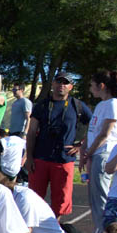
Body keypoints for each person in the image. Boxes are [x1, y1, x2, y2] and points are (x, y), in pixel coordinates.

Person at [26, 71, 92, 218]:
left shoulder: (77, 106)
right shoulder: (42, 105)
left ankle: (56, 228)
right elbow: (31, 132)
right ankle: (34, 231)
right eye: (59, 82)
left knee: (61, 201)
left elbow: (95, 125)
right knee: (33, 199)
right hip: (40, 158)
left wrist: (81, 145)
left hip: (64, 159)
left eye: (65, 82)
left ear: (71, 87)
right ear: (53, 84)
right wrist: (29, 157)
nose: (61, 85)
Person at [80, 70, 117, 233]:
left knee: (102, 197)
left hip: (104, 153)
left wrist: (88, 152)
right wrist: (85, 150)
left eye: (92, 85)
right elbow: (93, 132)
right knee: (94, 198)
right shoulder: (101, 105)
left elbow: (105, 134)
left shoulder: (113, 104)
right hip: (95, 153)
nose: (90, 89)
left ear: (102, 86)